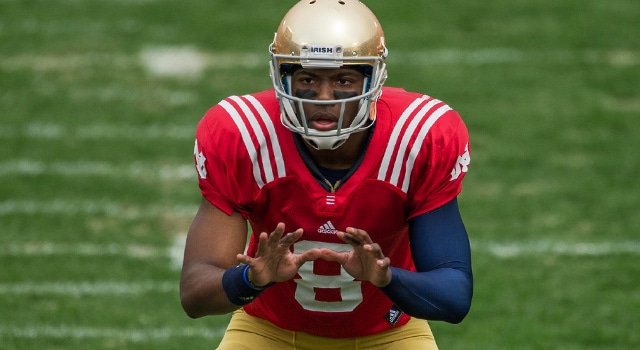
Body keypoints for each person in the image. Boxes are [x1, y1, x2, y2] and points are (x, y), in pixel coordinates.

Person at [180, 0, 473, 349]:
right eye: (307, 78)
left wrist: (385, 277)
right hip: (266, 332)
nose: (324, 97)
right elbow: (195, 293)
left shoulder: (417, 137)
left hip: (389, 334)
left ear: (373, 78)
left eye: (344, 80)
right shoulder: (244, 134)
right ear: (283, 77)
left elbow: (454, 295)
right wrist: (251, 278)